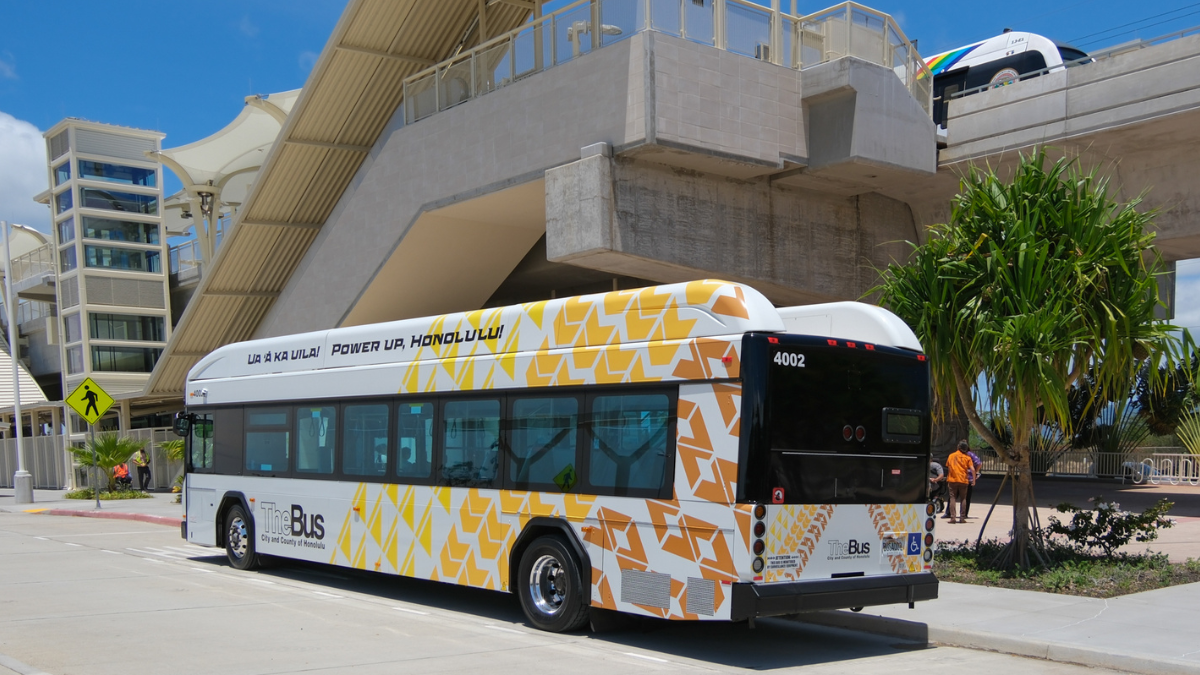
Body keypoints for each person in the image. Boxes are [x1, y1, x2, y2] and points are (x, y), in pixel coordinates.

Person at [945, 440, 975, 523]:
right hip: (963, 480)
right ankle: (962, 518)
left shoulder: (951, 456)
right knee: (963, 499)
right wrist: (974, 480)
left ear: (958, 447)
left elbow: (949, 467)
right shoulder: (967, 458)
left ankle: (952, 517)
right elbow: (972, 469)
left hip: (952, 480)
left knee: (952, 498)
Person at [962, 446, 983, 518]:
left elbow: (979, 464)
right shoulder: (970, 455)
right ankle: (964, 514)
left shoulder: (967, 455)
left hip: (962, 478)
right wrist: (974, 473)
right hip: (968, 478)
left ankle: (950, 513)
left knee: (953, 497)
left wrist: (974, 472)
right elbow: (979, 463)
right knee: (966, 497)